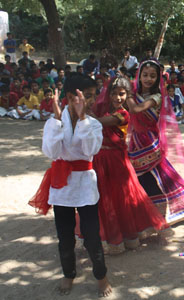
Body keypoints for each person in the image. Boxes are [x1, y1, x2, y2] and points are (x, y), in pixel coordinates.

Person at [28, 73, 112, 297]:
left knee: (92, 235)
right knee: (65, 236)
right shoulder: (55, 122)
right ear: (69, 96)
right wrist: (56, 119)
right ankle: (68, 273)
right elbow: (52, 152)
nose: (92, 100)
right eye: (87, 95)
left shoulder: (93, 123)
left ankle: (101, 276)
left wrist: (83, 118)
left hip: (85, 185)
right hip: (61, 187)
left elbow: (90, 151)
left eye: (93, 96)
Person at [79, 76, 168, 254]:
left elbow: (98, 123)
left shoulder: (123, 114)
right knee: (103, 198)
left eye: (122, 94)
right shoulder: (102, 110)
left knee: (121, 197)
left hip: (116, 160)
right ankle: (105, 235)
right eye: (114, 93)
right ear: (108, 94)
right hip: (99, 160)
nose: (117, 98)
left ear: (127, 95)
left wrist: (83, 110)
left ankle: (124, 236)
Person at [126, 60, 184, 225]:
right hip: (136, 143)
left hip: (150, 143)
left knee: (165, 177)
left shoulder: (156, 97)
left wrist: (127, 95)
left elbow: (136, 109)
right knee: (146, 179)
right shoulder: (134, 95)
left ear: (158, 79)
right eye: (145, 75)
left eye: (153, 76)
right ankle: (150, 214)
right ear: (139, 76)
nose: (148, 79)